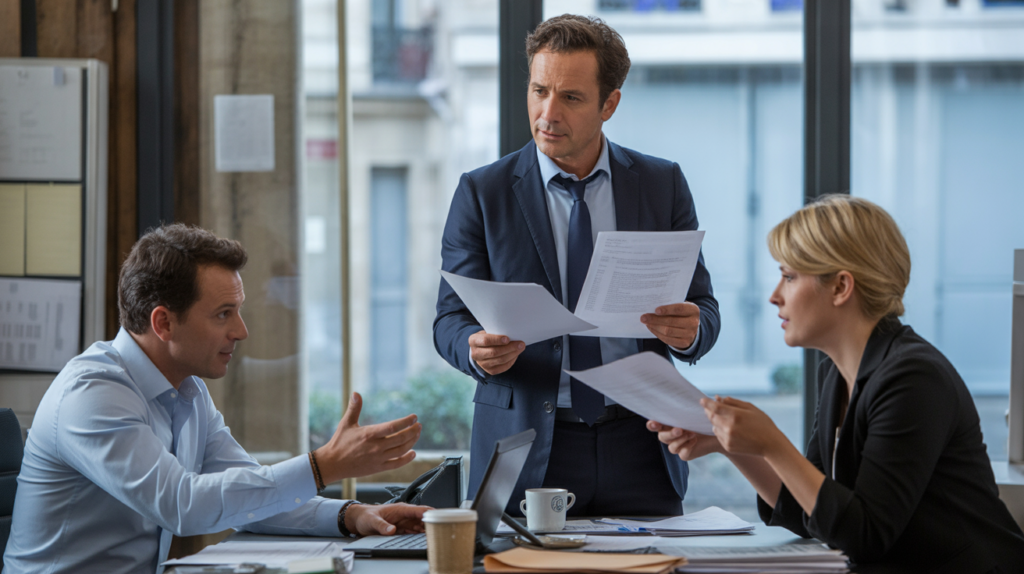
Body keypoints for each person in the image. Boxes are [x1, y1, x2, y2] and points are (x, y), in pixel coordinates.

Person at [5, 224, 430, 574]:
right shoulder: (92, 392)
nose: (241, 331)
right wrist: (325, 465)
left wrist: (351, 515)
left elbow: (254, 498)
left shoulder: (188, 391)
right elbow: (182, 504)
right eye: (223, 314)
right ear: (164, 322)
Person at [434, 14, 720, 517]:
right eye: (539, 90)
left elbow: (703, 309)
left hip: (643, 443)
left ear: (609, 104)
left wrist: (690, 331)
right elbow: (449, 321)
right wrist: (474, 350)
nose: (548, 113)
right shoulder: (483, 192)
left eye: (570, 97)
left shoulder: (661, 184)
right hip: (525, 445)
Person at [649, 195, 1024, 572]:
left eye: (790, 276)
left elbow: (865, 536)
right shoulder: (836, 372)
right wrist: (731, 445)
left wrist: (773, 444)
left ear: (841, 287)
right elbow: (809, 512)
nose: (774, 296)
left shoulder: (913, 378)